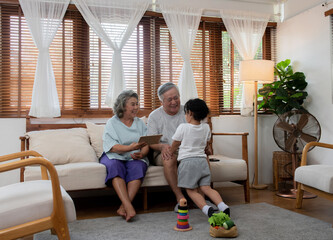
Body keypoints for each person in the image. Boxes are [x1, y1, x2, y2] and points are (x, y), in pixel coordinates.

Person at [170, 98, 230, 218]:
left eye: (186, 113)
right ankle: (222, 205)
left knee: (191, 190)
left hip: (188, 162)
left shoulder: (183, 127)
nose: (185, 115)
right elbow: (206, 144)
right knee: (206, 188)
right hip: (202, 162)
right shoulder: (206, 128)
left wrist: (171, 151)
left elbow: (176, 143)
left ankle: (206, 208)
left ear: (190, 113)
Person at [100, 90, 149, 221]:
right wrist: (130, 148)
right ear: (123, 106)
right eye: (133, 104)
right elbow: (112, 146)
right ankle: (129, 206)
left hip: (133, 156)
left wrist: (141, 153)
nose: (136, 107)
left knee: (138, 166)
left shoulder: (139, 123)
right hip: (114, 154)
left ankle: (123, 207)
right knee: (115, 166)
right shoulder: (112, 122)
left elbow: (146, 144)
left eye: (137, 104)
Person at [147, 82, 186, 208]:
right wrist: (162, 147)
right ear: (161, 102)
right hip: (163, 150)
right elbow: (151, 142)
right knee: (169, 158)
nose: (174, 102)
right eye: (169, 99)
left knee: (200, 157)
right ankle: (179, 197)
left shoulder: (187, 111)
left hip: (185, 148)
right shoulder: (154, 116)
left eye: (176, 98)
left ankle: (202, 196)